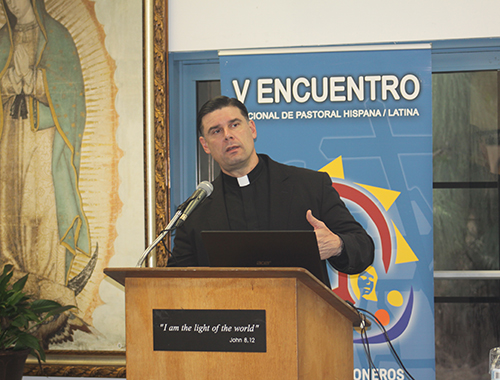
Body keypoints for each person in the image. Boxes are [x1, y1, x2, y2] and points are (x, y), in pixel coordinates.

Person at [169, 96, 374, 276]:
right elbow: (177, 282)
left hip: (302, 316)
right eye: (216, 131)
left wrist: (337, 245)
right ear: (205, 145)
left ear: (252, 129)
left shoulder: (310, 186)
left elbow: (364, 248)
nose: (227, 136)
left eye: (234, 125)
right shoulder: (194, 213)